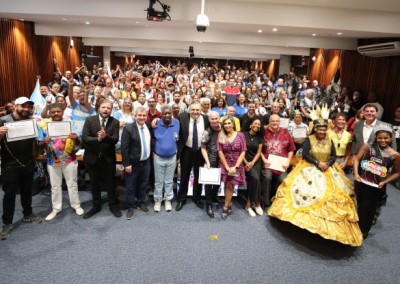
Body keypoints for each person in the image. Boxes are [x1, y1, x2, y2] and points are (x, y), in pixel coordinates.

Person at [268, 119, 363, 247]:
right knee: (304, 190)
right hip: (310, 166)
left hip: (328, 168)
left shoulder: (330, 139)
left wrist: (327, 164)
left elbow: (333, 156)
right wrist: (318, 163)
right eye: (320, 129)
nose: (322, 131)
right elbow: (305, 154)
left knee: (336, 195)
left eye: (324, 129)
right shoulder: (310, 139)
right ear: (316, 129)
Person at [0, 97, 42, 240]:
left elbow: (35, 141)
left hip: (28, 162)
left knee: (27, 191)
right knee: (9, 194)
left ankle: (28, 214)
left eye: (29, 107)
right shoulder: (3, 120)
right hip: (9, 165)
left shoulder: (31, 121)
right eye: (23, 106)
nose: (26, 109)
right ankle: (7, 223)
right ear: (15, 106)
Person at [37, 103, 84, 221]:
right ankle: (56, 208)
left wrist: (76, 138)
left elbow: (79, 141)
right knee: (55, 186)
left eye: (58, 111)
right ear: (50, 113)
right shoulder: (43, 126)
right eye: (53, 112)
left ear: (62, 111)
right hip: (52, 160)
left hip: (69, 158)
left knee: (72, 184)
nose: (56, 114)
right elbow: (39, 143)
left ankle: (76, 205)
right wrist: (44, 141)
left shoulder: (71, 123)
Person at [353, 126, 400, 239]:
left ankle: (364, 230)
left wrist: (385, 182)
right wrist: (355, 174)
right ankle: (353, 228)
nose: (383, 140)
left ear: (390, 139)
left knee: (370, 208)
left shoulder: (395, 155)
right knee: (357, 204)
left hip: (377, 186)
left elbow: (397, 173)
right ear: (376, 137)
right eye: (380, 138)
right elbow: (356, 159)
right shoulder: (367, 146)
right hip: (362, 182)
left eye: (386, 138)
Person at [81, 100, 121, 219]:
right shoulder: (89, 120)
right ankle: (96, 206)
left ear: (111, 110)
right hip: (92, 158)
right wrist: (97, 139)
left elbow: (115, 139)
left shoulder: (115, 122)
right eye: (103, 107)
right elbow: (84, 138)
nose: (106, 110)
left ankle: (113, 205)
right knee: (94, 184)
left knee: (111, 184)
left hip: (108, 159)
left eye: (108, 108)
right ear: (99, 108)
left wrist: (105, 137)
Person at [176, 102, 210, 211]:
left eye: (197, 110)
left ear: (201, 110)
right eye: (193, 110)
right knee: (184, 175)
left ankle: (197, 198)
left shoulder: (206, 119)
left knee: (198, 175)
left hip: (201, 151)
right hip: (187, 150)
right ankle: (182, 198)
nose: (195, 112)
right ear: (189, 110)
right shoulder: (182, 117)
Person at [121, 106, 152, 219]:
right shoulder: (128, 128)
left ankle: (140, 203)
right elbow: (124, 148)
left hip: (146, 162)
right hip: (133, 164)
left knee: (143, 184)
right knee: (130, 187)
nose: (142, 117)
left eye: (144, 115)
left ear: (147, 116)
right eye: (139, 115)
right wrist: (126, 164)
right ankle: (130, 207)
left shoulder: (148, 126)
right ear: (135, 116)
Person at [261, 114, 296, 209]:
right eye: (273, 121)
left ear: (280, 122)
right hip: (268, 163)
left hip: (281, 164)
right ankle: (266, 202)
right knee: (267, 177)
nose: (275, 123)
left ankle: (277, 201)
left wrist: (288, 162)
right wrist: (264, 160)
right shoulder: (263, 132)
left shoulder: (286, 133)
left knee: (282, 179)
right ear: (269, 122)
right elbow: (258, 149)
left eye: (277, 121)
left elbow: (291, 149)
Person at [218, 116, 246, 220]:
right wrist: (226, 167)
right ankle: (228, 203)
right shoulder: (221, 135)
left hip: (236, 164)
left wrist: (236, 166)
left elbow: (243, 151)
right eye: (225, 124)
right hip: (225, 164)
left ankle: (225, 207)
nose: (227, 125)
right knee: (226, 184)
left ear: (233, 124)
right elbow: (220, 152)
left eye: (229, 123)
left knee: (230, 185)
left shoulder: (240, 135)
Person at [153, 105, 180, 212]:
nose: (167, 115)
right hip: (158, 157)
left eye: (169, 113)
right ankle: (158, 200)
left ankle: (168, 200)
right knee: (159, 181)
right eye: (165, 113)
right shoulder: (156, 124)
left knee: (169, 181)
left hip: (172, 157)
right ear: (161, 114)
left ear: (172, 114)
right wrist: (154, 120)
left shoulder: (177, 123)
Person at [201, 111, 224, 218]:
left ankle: (214, 196)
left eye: (216, 118)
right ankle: (208, 205)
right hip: (212, 159)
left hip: (224, 158)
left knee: (220, 180)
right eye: (212, 119)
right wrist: (207, 161)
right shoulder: (207, 132)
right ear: (209, 120)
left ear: (219, 118)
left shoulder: (225, 127)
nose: (214, 121)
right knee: (209, 183)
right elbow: (203, 147)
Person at [243, 117, 264, 217]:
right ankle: (256, 203)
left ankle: (249, 204)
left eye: (258, 124)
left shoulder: (260, 137)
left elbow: (259, 153)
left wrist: (252, 163)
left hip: (255, 162)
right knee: (255, 179)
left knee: (255, 179)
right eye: (255, 123)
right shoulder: (243, 135)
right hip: (244, 160)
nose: (256, 125)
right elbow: (241, 151)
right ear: (251, 124)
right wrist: (246, 163)